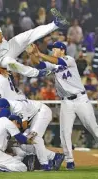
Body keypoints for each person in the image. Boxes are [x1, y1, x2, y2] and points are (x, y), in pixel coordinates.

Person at [27, 41, 98, 170]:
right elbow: (39, 64)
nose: (52, 51)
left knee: (93, 128)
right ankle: (69, 161)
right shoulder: (53, 65)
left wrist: (40, 53)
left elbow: (57, 61)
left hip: (80, 99)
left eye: (54, 49)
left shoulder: (69, 59)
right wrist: (32, 54)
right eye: (51, 50)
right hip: (66, 102)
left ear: (62, 50)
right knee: (64, 132)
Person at [0, 8, 69, 77]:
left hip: (10, 46)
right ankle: (38, 73)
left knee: (29, 34)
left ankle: (57, 24)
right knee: (12, 63)